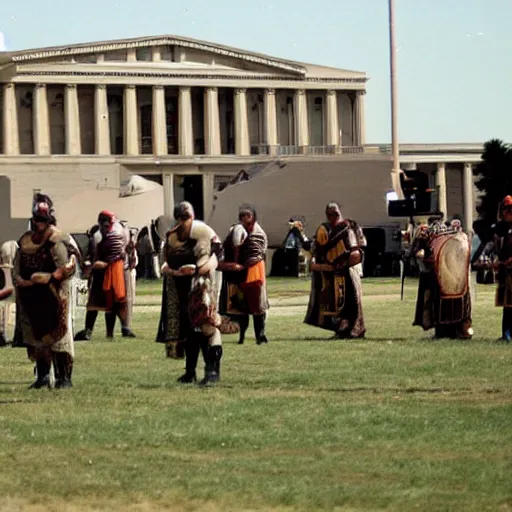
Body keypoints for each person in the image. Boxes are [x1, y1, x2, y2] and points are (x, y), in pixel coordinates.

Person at [13, 194, 77, 388]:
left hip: (55, 294)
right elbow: (18, 263)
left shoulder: (58, 239)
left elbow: (68, 265)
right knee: (37, 337)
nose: (39, 224)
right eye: (37, 220)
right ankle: (42, 377)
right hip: (31, 295)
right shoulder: (25, 240)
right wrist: (20, 279)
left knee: (59, 336)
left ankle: (63, 377)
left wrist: (50, 276)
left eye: (43, 220)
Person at [156, 201, 223, 385]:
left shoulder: (203, 232)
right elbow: (165, 264)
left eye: (187, 217)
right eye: (181, 217)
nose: (184, 221)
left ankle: (212, 371)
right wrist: (176, 272)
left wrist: (197, 269)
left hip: (204, 285)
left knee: (206, 326)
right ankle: (190, 371)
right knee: (188, 330)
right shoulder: (171, 238)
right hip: (181, 287)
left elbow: (215, 258)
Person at [304, 202, 366, 339]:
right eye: (330, 214)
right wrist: (317, 262)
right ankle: (340, 328)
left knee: (353, 299)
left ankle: (356, 328)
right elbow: (317, 250)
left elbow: (358, 249)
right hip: (332, 272)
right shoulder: (324, 230)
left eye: (335, 213)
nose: (333, 216)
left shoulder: (350, 226)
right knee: (336, 301)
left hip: (349, 268)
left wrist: (346, 263)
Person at [75, 213, 136, 340]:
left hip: (113, 271)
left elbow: (123, 254)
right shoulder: (100, 235)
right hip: (107, 271)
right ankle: (90, 330)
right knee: (100, 303)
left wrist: (93, 266)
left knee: (114, 302)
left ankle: (120, 329)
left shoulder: (107, 234)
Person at [410, 216, 473, 339]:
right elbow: (418, 255)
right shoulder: (431, 234)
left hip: (452, 276)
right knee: (438, 304)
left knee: (451, 304)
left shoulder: (456, 237)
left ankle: (459, 330)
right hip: (440, 275)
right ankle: (446, 331)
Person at [218, 205, 269, 345]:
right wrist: (231, 265)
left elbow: (257, 252)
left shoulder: (259, 234)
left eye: (248, 216)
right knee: (241, 307)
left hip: (254, 273)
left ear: (253, 218)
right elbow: (227, 247)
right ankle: (242, 336)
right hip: (238, 275)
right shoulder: (235, 230)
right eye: (242, 217)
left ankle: (260, 335)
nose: (245, 219)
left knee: (257, 306)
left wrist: (246, 264)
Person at [477, 196, 512, 342]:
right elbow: (491, 246)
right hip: (504, 270)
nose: (508, 213)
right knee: (507, 303)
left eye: (510, 210)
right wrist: (490, 260)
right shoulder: (499, 228)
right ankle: (506, 334)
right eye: (506, 210)